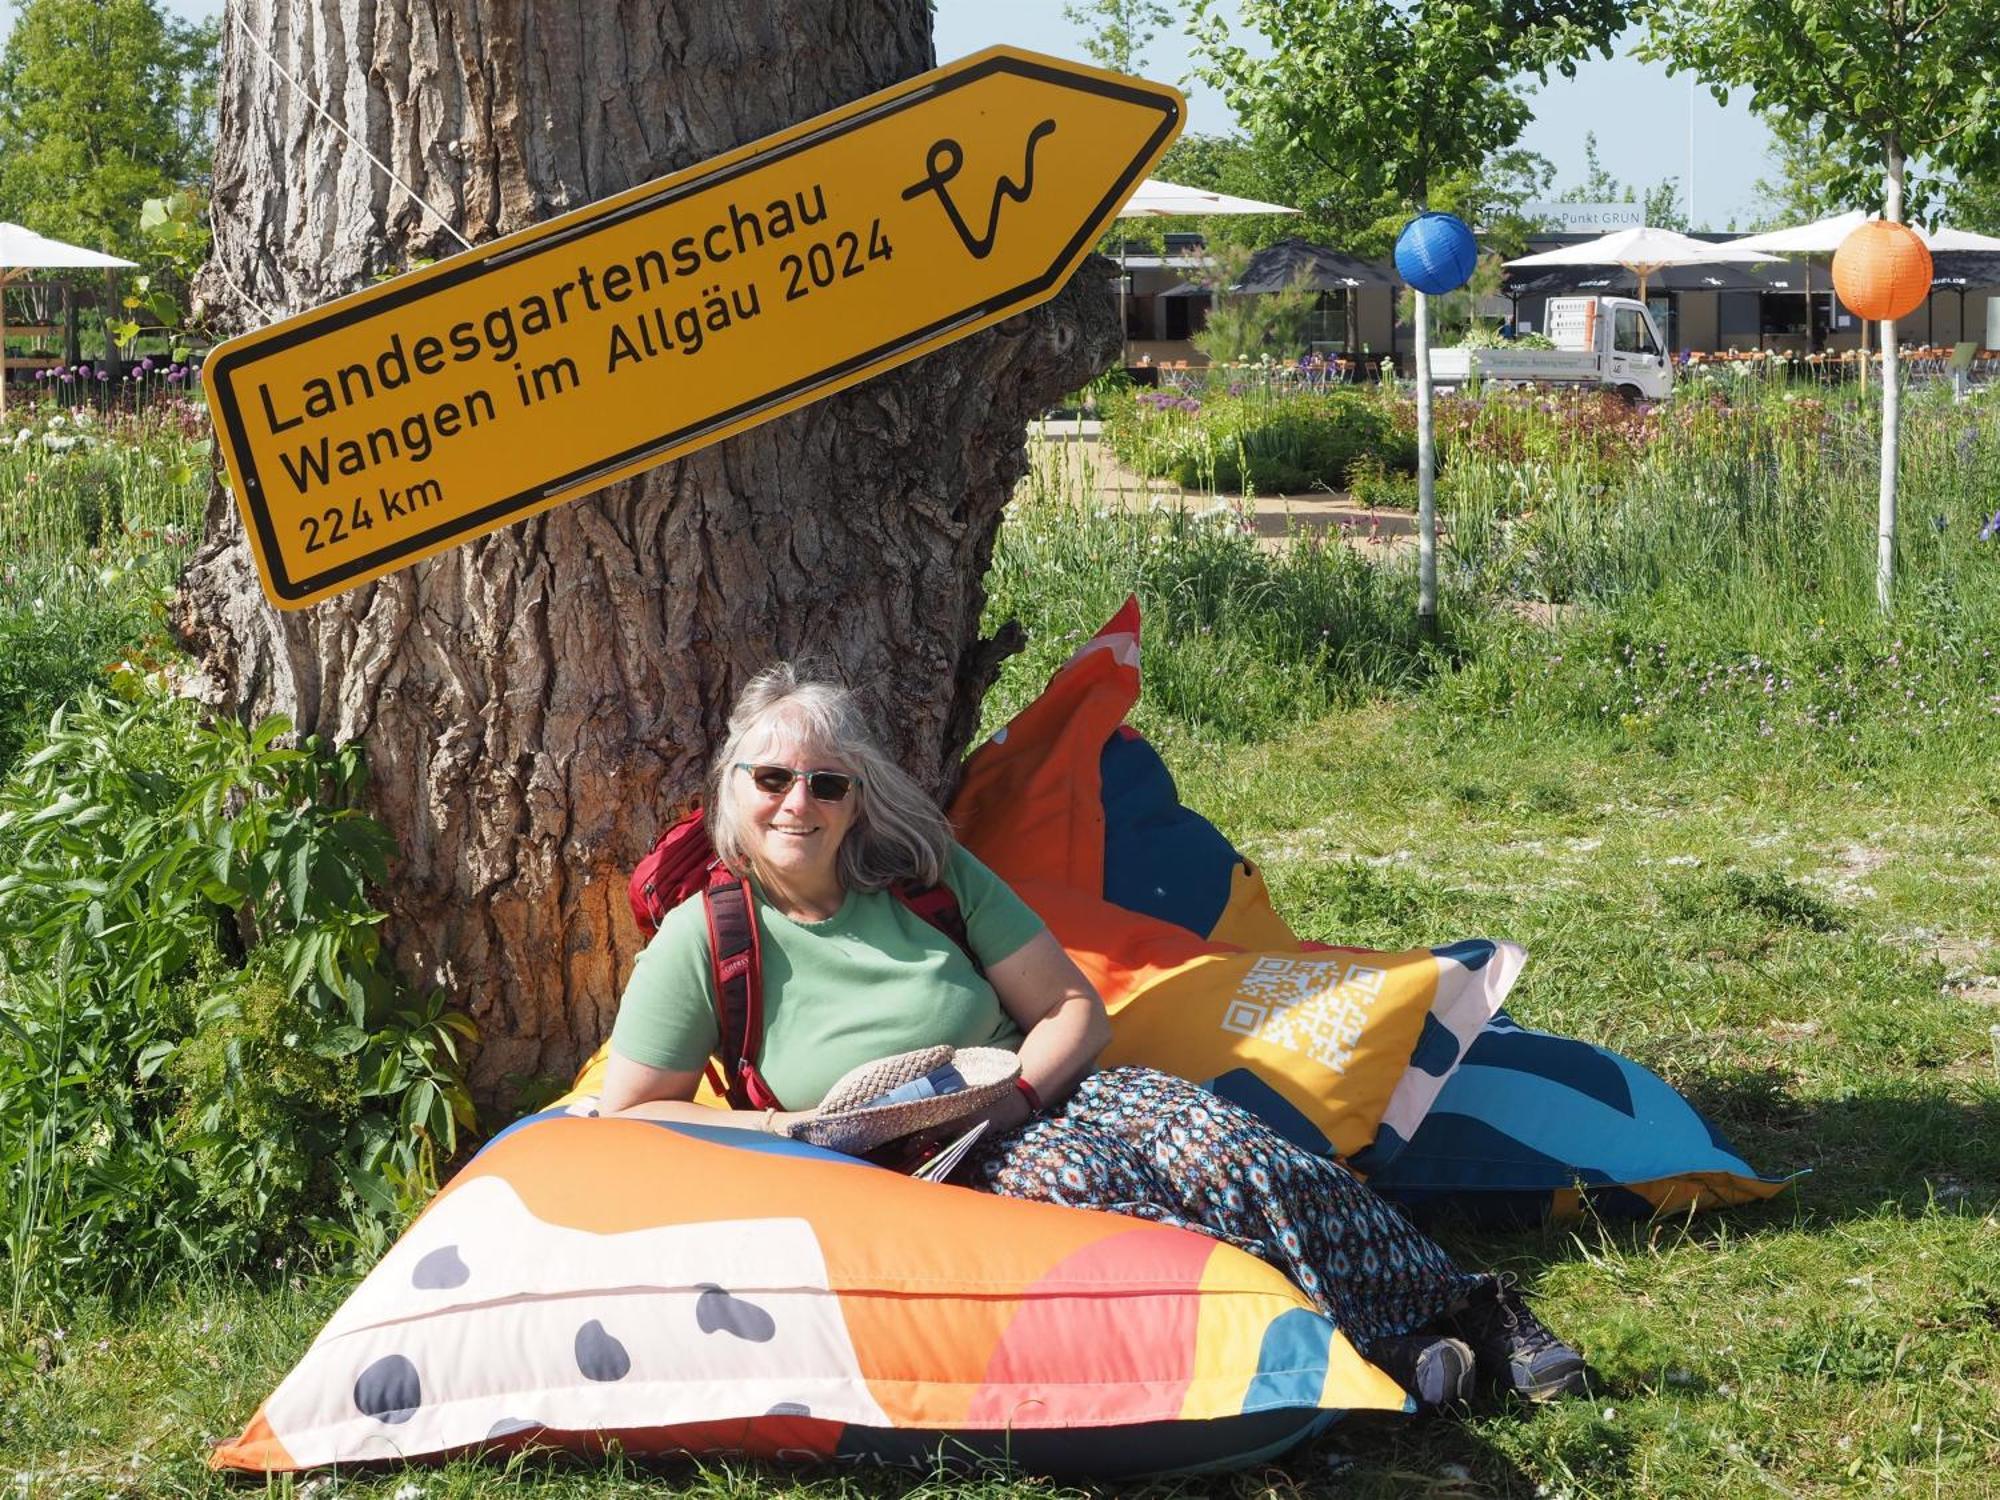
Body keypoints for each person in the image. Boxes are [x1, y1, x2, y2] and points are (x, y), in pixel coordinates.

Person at [600, 664, 1589, 1411]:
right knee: (1096, 1194)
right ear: (730, 787)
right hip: (914, 1162)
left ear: (857, 796)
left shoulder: (926, 877)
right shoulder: (710, 936)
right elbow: (629, 1110)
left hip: (1031, 1087)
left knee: (1223, 1148)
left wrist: (1019, 1093)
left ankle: (1464, 1310)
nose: (797, 804)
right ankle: (1356, 1352)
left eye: (826, 784)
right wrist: (780, 1135)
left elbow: (1071, 1010)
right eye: (772, 778)